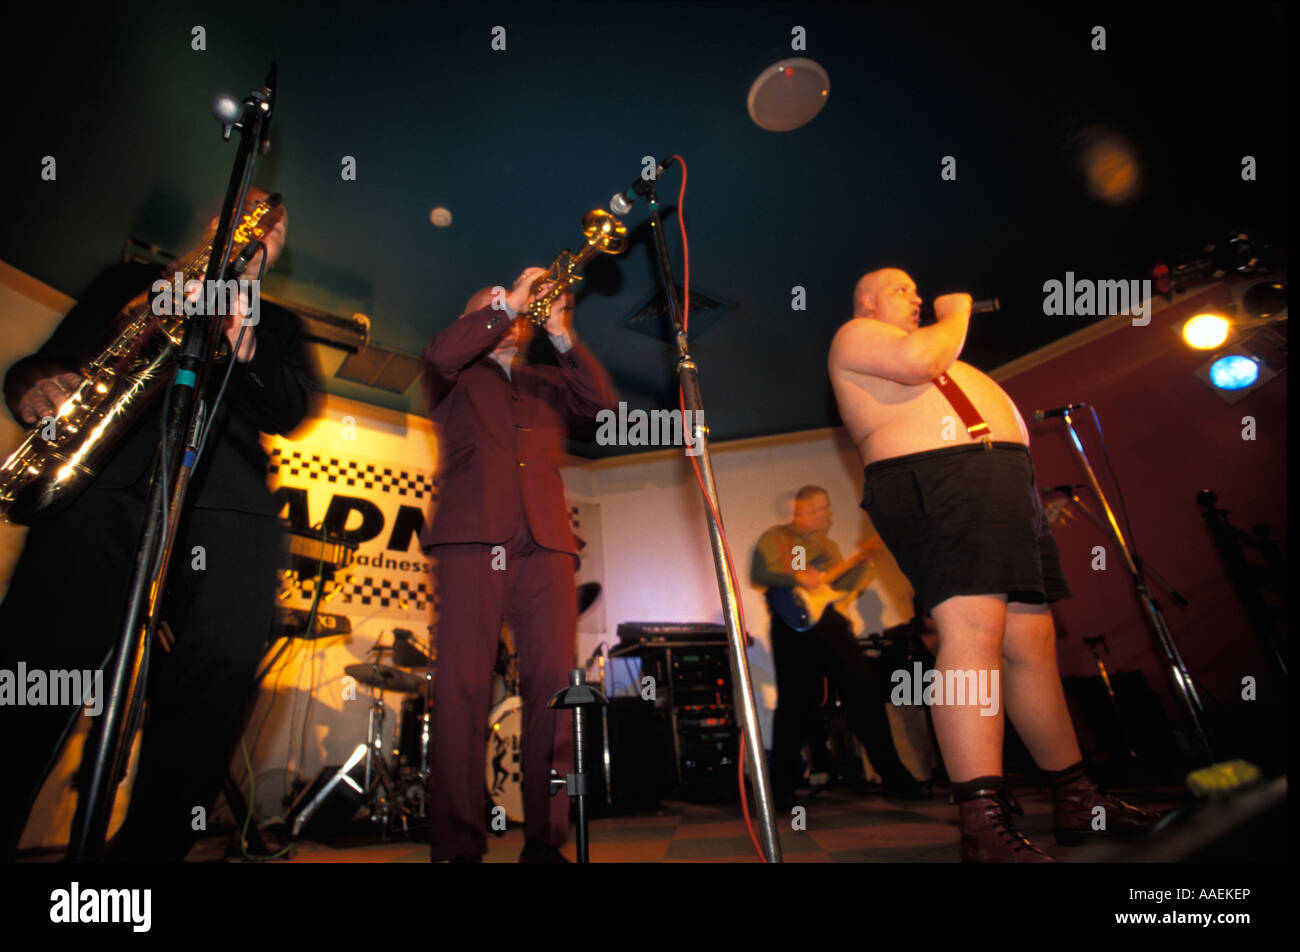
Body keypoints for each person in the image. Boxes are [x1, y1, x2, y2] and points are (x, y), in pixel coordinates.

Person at [0, 191, 315, 860]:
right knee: (33, 671)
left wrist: (244, 323)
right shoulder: (129, 284)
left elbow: (289, 407)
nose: (261, 224)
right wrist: (34, 385)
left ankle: (139, 869)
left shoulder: (280, 322)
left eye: (273, 224)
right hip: (106, 481)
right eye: (247, 212)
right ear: (214, 222)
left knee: (217, 675)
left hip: (225, 503)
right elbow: (49, 359)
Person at [828, 268, 1159, 861]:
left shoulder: (925, 348)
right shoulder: (857, 335)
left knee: (1032, 642)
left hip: (999, 481)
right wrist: (957, 312)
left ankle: (1076, 798)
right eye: (903, 289)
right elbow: (919, 362)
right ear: (868, 300)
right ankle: (981, 823)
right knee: (973, 631)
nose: (919, 297)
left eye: (917, 291)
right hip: (941, 477)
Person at [420, 269, 618, 863]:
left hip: (547, 546)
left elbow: (601, 408)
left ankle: (545, 840)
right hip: (470, 541)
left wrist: (559, 330)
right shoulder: (449, 373)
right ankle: (457, 846)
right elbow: (445, 347)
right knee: (460, 691)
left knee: (555, 692)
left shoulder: (545, 381)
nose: (512, 314)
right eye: (494, 306)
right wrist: (510, 298)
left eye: (516, 309)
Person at [752, 485, 926, 809]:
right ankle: (780, 789)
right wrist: (796, 577)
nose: (830, 513)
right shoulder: (776, 538)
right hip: (792, 628)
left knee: (865, 694)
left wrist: (864, 562)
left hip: (829, 623)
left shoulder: (827, 545)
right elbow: (758, 572)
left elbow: (838, 588)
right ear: (806, 511)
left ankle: (895, 779)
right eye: (824, 507)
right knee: (796, 706)